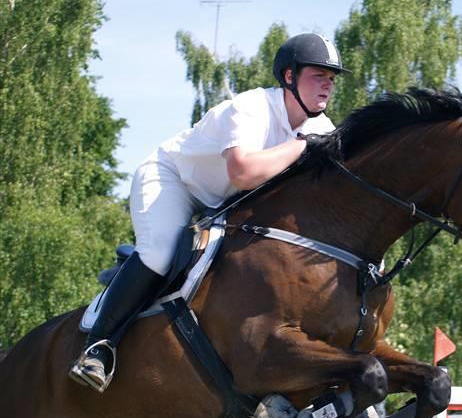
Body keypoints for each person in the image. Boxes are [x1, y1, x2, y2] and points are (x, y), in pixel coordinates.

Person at [69, 33, 349, 392]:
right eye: (318, 75)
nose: (327, 85)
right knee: (159, 255)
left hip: (223, 204)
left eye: (332, 78)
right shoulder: (251, 107)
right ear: (289, 77)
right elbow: (243, 173)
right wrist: (300, 146)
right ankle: (99, 345)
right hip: (174, 180)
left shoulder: (323, 129)